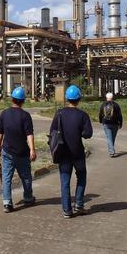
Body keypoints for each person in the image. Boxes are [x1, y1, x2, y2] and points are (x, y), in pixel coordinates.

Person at [50, 85, 93, 218]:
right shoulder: (83, 115)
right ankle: (79, 204)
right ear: (79, 99)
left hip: (63, 153)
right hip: (78, 153)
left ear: (67, 98)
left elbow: (52, 132)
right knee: (81, 176)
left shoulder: (59, 114)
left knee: (65, 181)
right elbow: (88, 134)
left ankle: (67, 210)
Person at [0, 86, 37, 213]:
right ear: (23, 101)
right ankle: (28, 198)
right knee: (26, 177)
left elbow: (0, 132)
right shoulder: (26, 116)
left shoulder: (4, 114)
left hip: (7, 151)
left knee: (6, 177)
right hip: (22, 152)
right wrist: (32, 150)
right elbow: (29, 134)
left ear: (12, 99)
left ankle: (7, 203)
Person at [99, 92, 123, 157]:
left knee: (109, 138)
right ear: (112, 98)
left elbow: (100, 113)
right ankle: (111, 150)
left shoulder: (103, 104)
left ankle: (111, 151)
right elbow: (120, 115)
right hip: (115, 123)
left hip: (106, 123)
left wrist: (101, 121)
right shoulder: (116, 105)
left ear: (106, 98)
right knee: (112, 137)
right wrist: (120, 123)